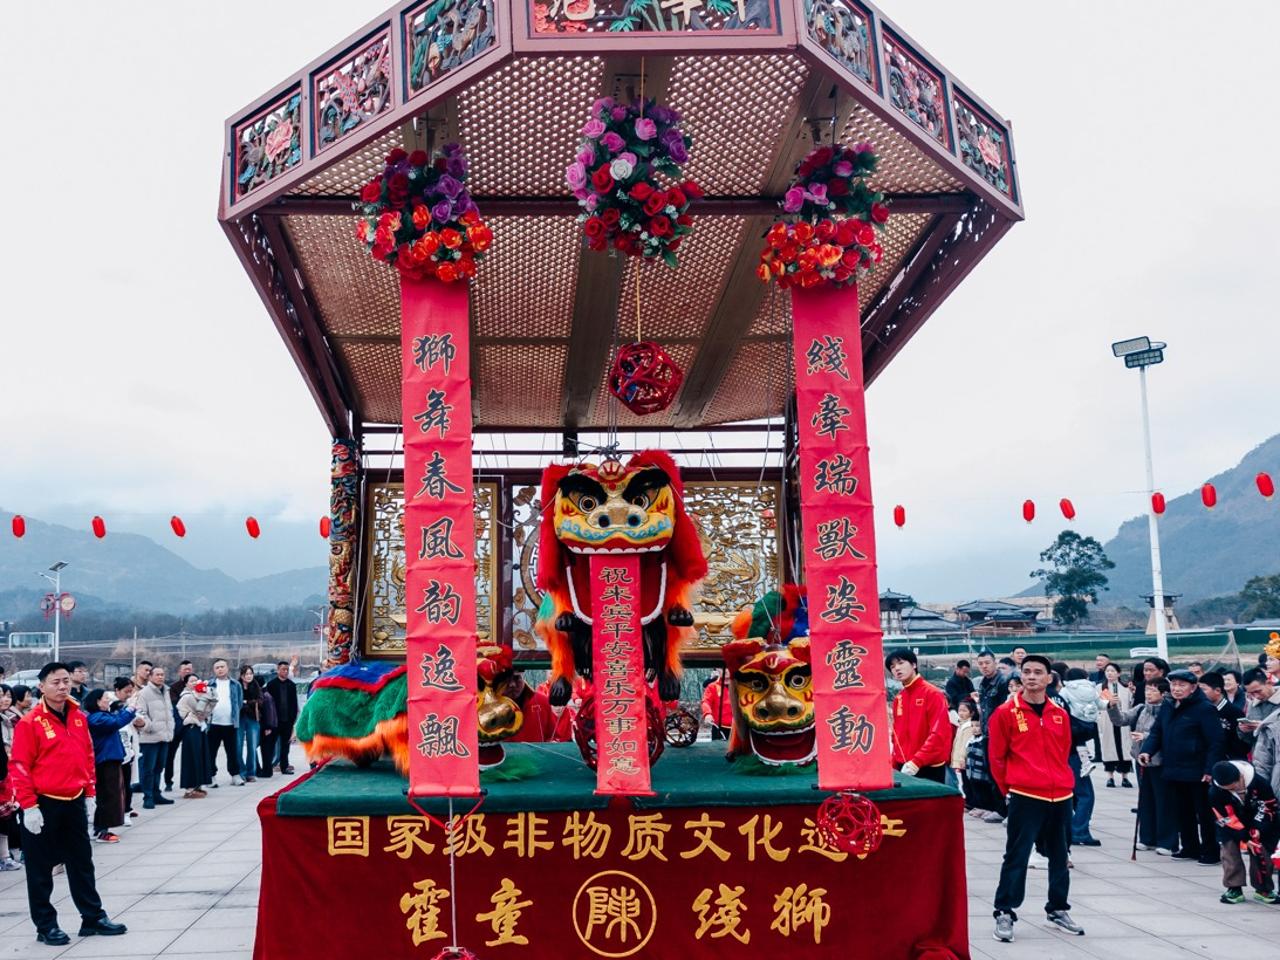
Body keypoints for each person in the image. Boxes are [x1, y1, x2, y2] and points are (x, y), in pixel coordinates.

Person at [9, 662, 127, 945]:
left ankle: (93, 917)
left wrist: (89, 792)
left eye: (65, 681)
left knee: (82, 862)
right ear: (42, 687)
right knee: (40, 868)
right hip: (42, 803)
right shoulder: (30, 722)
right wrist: (29, 806)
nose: (62, 687)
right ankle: (46, 925)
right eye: (55, 682)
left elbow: (86, 755)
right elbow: (19, 766)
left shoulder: (78, 717)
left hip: (73, 799)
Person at [990, 655, 1083, 942]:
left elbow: (1064, 751)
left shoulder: (1060, 714)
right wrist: (1009, 791)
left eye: (1038, 672)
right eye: (1027, 672)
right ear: (1021, 676)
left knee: (1060, 856)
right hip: (1025, 794)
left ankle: (1057, 908)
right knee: (1017, 855)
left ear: (1049, 678)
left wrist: (1065, 783)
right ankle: (1004, 911)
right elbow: (997, 757)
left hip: (1060, 794)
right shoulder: (1006, 712)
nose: (1031, 676)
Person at [1140, 669, 1225, 865]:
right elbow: (1157, 732)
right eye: (1174, 684)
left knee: (1204, 813)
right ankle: (1189, 847)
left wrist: (1210, 769)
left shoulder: (1204, 708)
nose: (1176, 689)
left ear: (1193, 688)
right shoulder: (1168, 705)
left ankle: (1211, 851)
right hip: (1174, 767)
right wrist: (1147, 751)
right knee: (1182, 811)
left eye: (1182, 685)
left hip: (1197, 769)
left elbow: (1216, 742)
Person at [1109, 678, 1176, 854]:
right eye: (1147, 690)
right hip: (1141, 761)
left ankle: (1166, 841)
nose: (1148, 694)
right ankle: (1147, 838)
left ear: (1164, 693)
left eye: (1153, 690)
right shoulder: (1141, 708)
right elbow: (1121, 720)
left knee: (1164, 802)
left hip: (1161, 762)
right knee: (1146, 801)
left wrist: (1145, 736)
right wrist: (1112, 707)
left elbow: (1168, 734)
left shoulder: (1169, 710)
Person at [1208, 759, 1279, 904]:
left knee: (1262, 851)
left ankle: (1264, 888)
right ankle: (1234, 887)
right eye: (1228, 789)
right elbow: (1226, 819)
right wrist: (1245, 838)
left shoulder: (1258, 782)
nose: (1233, 790)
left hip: (1259, 820)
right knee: (1229, 852)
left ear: (1240, 776)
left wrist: (1258, 829)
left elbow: (1269, 806)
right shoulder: (1215, 792)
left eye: (1234, 786)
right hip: (1231, 824)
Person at [885, 649, 951, 782]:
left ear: (914, 664)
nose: (897, 668)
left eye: (901, 663)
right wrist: (894, 763)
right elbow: (897, 735)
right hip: (904, 766)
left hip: (928, 767)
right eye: (892, 667)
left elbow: (939, 733)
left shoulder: (933, 694)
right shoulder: (899, 698)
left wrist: (917, 761)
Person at [81, 690, 135, 844]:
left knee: (109, 795)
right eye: (106, 698)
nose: (108, 700)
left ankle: (99, 828)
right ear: (98, 701)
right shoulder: (96, 718)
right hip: (105, 760)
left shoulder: (101, 716)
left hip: (110, 758)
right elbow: (116, 722)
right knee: (109, 796)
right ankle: (102, 831)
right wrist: (130, 709)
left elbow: (116, 719)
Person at [974, 649, 1010, 823]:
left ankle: (1006, 810)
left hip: (1000, 734)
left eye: (987, 663)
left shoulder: (1003, 682)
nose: (984, 666)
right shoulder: (982, 683)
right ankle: (998, 807)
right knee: (990, 772)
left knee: (1002, 772)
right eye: (980, 664)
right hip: (987, 733)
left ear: (995, 663)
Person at [133, 666, 174, 810]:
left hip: (164, 736)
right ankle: (148, 797)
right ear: (150, 677)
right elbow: (141, 713)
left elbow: (169, 712)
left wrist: (170, 729)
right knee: (148, 769)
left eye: (162, 674)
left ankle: (157, 794)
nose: (160, 677)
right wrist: (149, 726)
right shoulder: (144, 693)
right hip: (149, 738)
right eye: (157, 675)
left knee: (159, 767)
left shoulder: (166, 691)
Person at [205, 659, 244, 786]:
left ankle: (235, 775)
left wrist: (234, 716)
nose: (220, 669)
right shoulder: (209, 684)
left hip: (230, 724)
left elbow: (239, 702)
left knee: (233, 752)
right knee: (211, 752)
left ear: (227, 668)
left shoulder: (235, 684)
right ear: (214, 670)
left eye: (222, 666)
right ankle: (211, 776)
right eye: (217, 667)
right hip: (213, 724)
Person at [1095, 663, 1133, 788]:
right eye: (1107, 671)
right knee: (1108, 748)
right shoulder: (1100, 688)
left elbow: (1131, 704)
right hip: (1107, 720)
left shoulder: (1126, 688)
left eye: (1112, 671)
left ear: (1118, 673)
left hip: (1123, 720)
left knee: (1124, 748)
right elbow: (1097, 704)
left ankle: (1125, 777)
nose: (1109, 673)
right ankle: (1110, 777)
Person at [177, 676, 214, 799]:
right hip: (191, 727)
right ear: (186, 684)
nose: (194, 683)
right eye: (191, 681)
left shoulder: (201, 695)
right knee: (191, 757)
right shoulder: (186, 696)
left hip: (201, 727)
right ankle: (189, 788)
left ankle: (198, 784)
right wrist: (194, 716)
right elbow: (183, 712)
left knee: (201, 756)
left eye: (195, 681)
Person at [1199, 672, 1248, 761]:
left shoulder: (1234, 712)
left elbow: (1241, 743)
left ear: (1217, 690)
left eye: (1203, 690)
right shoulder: (1202, 710)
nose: (1199, 693)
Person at [112, 678, 140, 826]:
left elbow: (140, 720)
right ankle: (118, 811)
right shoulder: (111, 705)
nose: (129, 695)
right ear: (117, 690)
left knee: (127, 783)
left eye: (131, 691)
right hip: (114, 752)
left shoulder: (131, 704)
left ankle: (127, 810)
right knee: (115, 785)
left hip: (128, 748)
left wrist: (140, 721)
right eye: (126, 691)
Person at [164, 660, 194, 792]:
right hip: (177, 726)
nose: (187, 671)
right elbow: (175, 705)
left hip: (191, 726)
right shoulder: (174, 688)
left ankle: (191, 781)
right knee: (170, 755)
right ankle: (168, 781)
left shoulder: (197, 686)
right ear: (179, 672)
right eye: (185, 669)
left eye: (189, 669)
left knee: (190, 755)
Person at [266, 661, 299, 774]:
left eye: (287, 670)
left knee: (285, 745)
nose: (285, 671)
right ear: (278, 670)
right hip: (274, 721)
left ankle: (284, 766)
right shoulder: (271, 685)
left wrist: (293, 719)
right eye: (283, 669)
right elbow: (268, 704)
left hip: (287, 721)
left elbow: (294, 704)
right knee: (271, 744)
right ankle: (268, 766)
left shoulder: (292, 685)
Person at [1239, 667, 1280, 748]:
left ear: (1268, 683)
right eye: (1251, 693)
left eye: (1258, 691)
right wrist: (1244, 731)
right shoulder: (1252, 705)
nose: (1256, 696)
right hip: (1259, 753)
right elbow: (1250, 740)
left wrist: (1263, 727)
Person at [238, 665, 263, 782]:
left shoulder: (256, 685)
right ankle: (241, 772)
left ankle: (251, 773)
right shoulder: (237, 685)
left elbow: (260, 701)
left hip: (252, 718)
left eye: (250, 674)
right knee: (237, 746)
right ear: (241, 675)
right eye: (246, 674)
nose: (249, 676)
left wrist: (246, 702)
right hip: (239, 718)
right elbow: (236, 701)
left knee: (252, 746)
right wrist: (248, 703)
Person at [950, 700, 980, 792]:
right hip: (959, 759)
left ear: (972, 713)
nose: (961, 713)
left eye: (964, 711)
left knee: (966, 784)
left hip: (963, 761)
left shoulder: (969, 726)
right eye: (960, 710)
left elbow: (965, 745)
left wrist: (962, 759)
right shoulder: (961, 724)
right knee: (962, 783)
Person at [700, 673, 734, 740]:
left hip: (739, 728)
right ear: (717, 670)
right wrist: (707, 714)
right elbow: (706, 702)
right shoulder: (712, 686)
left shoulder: (741, 686)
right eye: (721, 668)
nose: (726, 670)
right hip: (718, 728)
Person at [258, 681, 278, 778]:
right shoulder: (266, 694)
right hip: (269, 726)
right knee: (267, 750)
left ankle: (267, 771)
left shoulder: (265, 696)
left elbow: (269, 713)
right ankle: (266, 770)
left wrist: (268, 727)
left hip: (268, 727)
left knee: (266, 750)